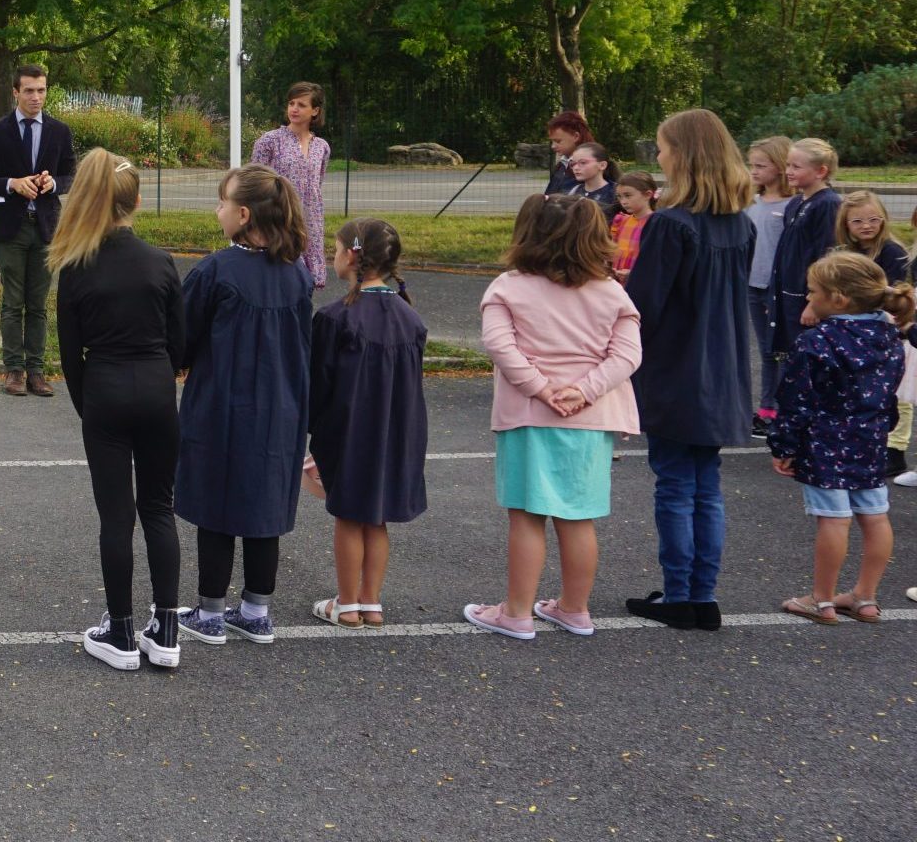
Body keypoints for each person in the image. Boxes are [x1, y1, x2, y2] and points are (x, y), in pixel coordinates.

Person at [462, 195, 641, 642]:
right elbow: (628, 355)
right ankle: (574, 609)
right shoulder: (611, 290)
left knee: (526, 517)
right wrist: (584, 390)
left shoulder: (508, 286)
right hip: (591, 417)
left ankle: (517, 613)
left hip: (528, 415)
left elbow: (501, 347)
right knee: (578, 518)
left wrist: (542, 389)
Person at [622, 109, 758, 632]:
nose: (657, 157)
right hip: (723, 369)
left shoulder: (670, 226)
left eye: (661, 147)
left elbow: (643, 308)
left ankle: (680, 594)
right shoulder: (739, 224)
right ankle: (702, 594)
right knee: (706, 486)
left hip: (678, 371)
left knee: (676, 486)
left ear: (683, 154)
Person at [49, 149, 183, 671]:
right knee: (159, 507)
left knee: (116, 516)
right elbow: (181, 342)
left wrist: (90, 407)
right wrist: (160, 374)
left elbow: (67, 354)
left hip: (104, 387)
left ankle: (122, 630)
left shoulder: (76, 267)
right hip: (154, 387)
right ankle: (167, 628)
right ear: (137, 203)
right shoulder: (161, 261)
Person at [173, 165, 314, 648]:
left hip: (223, 404)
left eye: (222, 202)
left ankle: (210, 611)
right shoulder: (296, 274)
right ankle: (257, 610)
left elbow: (183, 336)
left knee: (217, 505)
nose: (217, 209)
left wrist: (180, 361)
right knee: (262, 506)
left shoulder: (216, 270)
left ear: (244, 213)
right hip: (280, 408)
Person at [769, 251, 907, 626]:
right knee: (875, 515)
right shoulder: (889, 335)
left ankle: (822, 599)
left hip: (825, 441)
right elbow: (889, 389)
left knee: (833, 519)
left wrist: (784, 446)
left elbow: (797, 399)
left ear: (838, 298)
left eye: (813, 292)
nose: (809, 298)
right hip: (872, 437)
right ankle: (865, 596)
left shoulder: (818, 341)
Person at [307, 218, 428, 630]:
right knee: (376, 518)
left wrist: (308, 434)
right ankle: (371, 602)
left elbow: (318, 386)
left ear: (352, 256)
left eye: (336, 248)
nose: (332, 255)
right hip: (395, 434)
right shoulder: (410, 318)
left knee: (348, 516)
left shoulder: (336, 318)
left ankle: (346, 603)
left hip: (350, 433)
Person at [0, 65, 75, 396]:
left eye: (41, 90)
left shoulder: (59, 131)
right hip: (10, 228)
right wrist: (12, 184)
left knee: (39, 303)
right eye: (29, 90)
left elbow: (71, 174)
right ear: (16, 92)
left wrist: (52, 182)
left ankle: (37, 371)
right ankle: (14, 370)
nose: (36, 97)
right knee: (13, 302)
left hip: (45, 227)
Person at [768, 138, 843, 438]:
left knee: (809, 366)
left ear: (821, 171)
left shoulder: (828, 205)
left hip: (806, 301)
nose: (788, 171)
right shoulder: (798, 202)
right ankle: (795, 426)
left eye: (796, 166)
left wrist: (814, 302)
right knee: (791, 361)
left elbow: (826, 257)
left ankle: (812, 429)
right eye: (787, 164)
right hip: (786, 299)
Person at [250, 81, 333, 290]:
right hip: (278, 219)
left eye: (301, 105)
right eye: (291, 103)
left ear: (315, 111)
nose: (294, 109)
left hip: (310, 222)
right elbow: (254, 183)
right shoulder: (269, 141)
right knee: (276, 281)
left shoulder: (322, 147)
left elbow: (317, 183)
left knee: (304, 285)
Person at [744, 136, 793, 424]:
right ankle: (766, 408)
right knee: (765, 350)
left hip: (779, 289)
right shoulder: (752, 202)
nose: (754, 171)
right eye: (752, 165)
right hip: (753, 285)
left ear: (780, 166)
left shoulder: (791, 204)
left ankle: (784, 408)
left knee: (782, 351)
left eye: (761, 165)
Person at [833, 190, 906, 284]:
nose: (866, 226)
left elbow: (894, 292)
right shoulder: (845, 251)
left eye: (873, 220)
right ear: (845, 224)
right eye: (857, 221)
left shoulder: (892, 252)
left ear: (883, 220)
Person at [610, 171, 657, 278]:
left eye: (628, 195)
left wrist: (635, 274)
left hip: (642, 281)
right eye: (619, 196)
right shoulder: (621, 221)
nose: (623, 201)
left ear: (648, 195)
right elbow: (613, 249)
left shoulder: (656, 224)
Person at [558, 141, 621, 220]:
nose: (576, 168)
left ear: (602, 165)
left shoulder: (616, 192)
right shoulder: (574, 191)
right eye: (573, 164)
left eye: (583, 162)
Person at [543, 112, 597, 195]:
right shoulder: (562, 166)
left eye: (558, 141)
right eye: (552, 141)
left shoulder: (593, 168)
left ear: (576, 136)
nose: (553, 146)